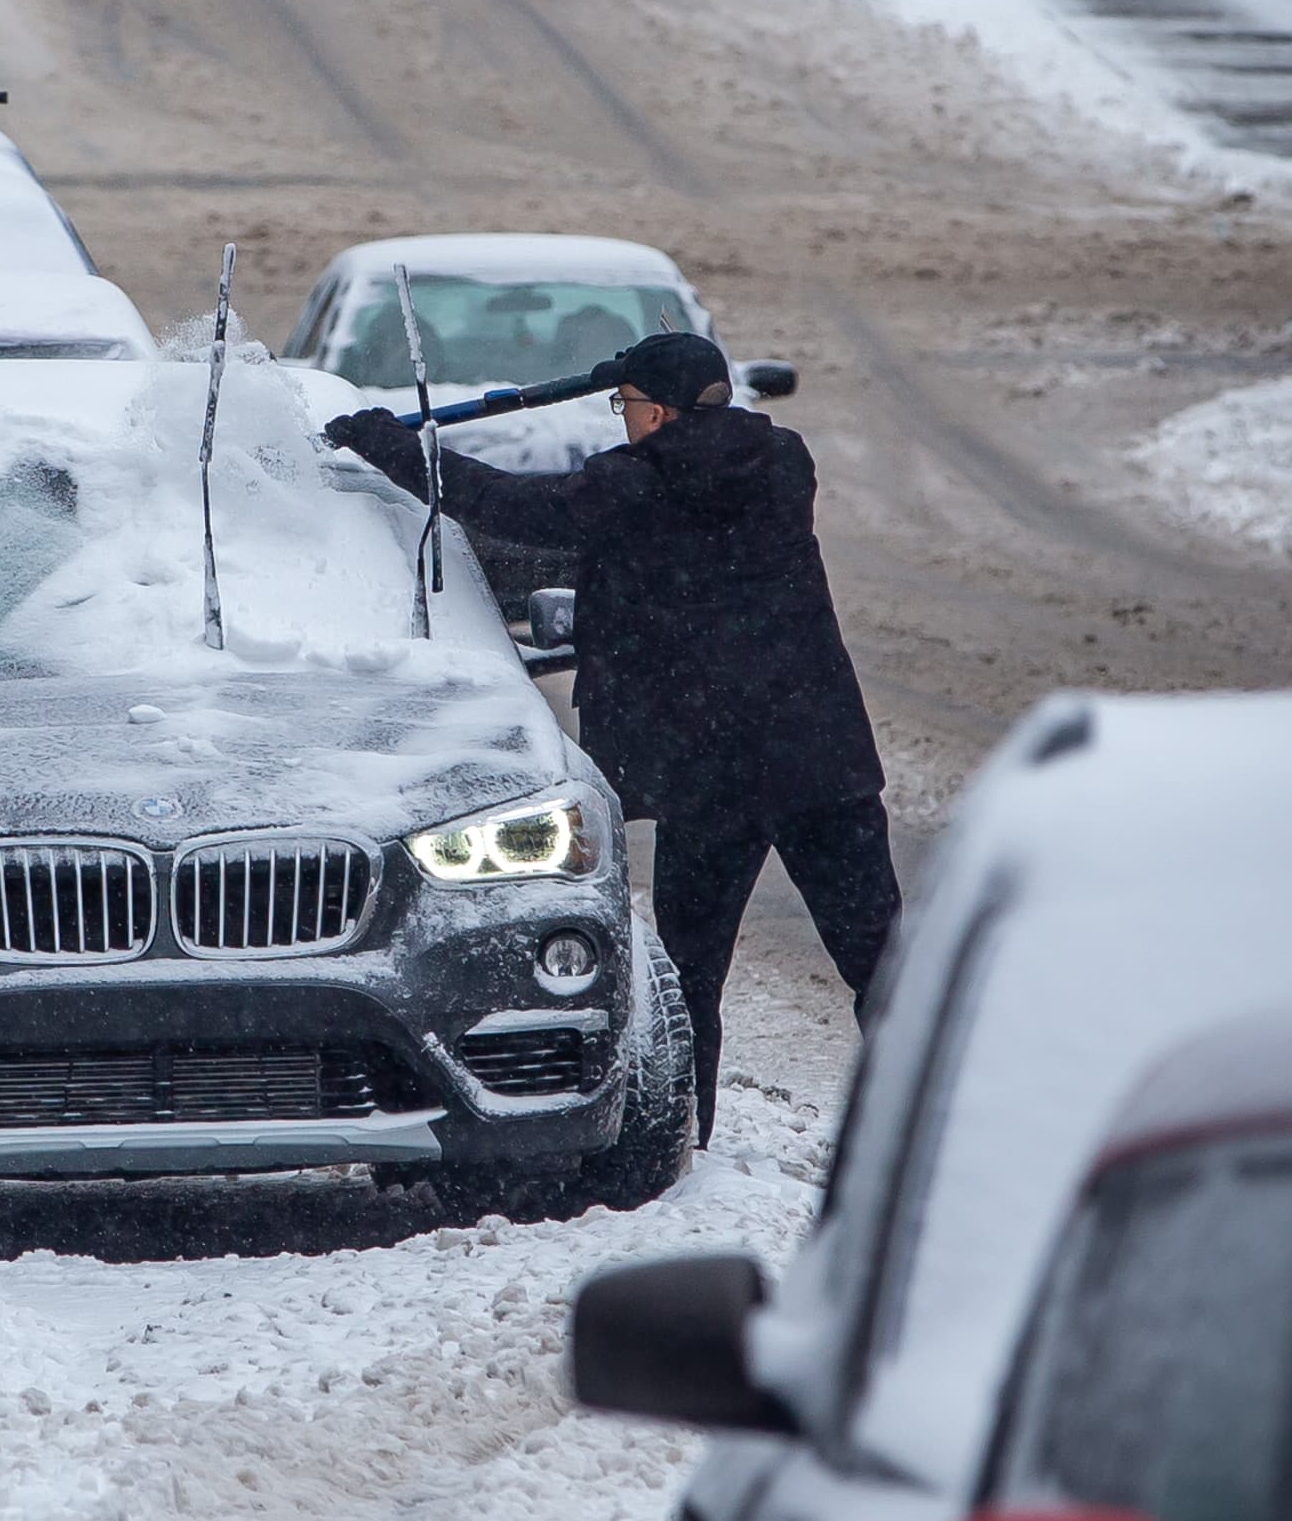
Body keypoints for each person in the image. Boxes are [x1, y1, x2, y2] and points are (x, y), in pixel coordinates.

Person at [325, 330, 898, 1140]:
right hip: (821, 761)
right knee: (882, 966)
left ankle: (684, 1132)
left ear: (657, 413)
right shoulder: (786, 462)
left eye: (626, 406)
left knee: (692, 978)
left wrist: (387, 444)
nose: (620, 420)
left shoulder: (630, 486)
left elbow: (504, 505)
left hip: (712, 781)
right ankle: (935, 1126)